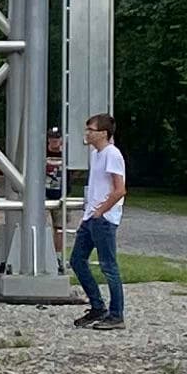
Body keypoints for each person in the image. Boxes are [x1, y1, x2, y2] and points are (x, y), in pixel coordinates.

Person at [71, 112, 127, 327]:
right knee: (77, 261)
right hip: (91, 217)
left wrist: (101, 211)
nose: (87, 134)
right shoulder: (96, 155)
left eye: (90, 130)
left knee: (108, 266)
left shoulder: (112, 154)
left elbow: (119, 189)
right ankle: (97, 306)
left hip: (103, 219)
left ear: (103, 133)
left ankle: (116, 314)